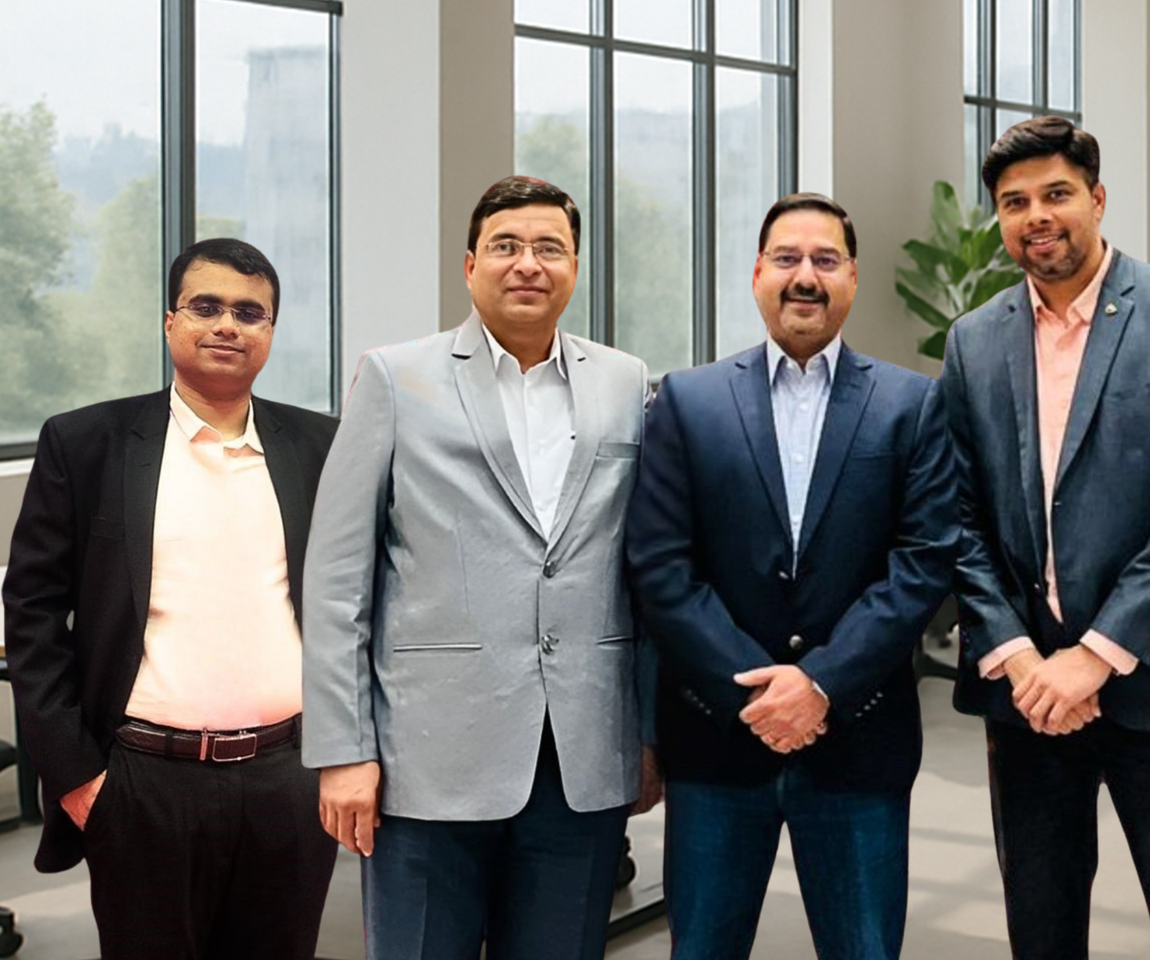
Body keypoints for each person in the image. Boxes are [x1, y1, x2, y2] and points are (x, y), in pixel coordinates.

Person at [301, 176, 658, 960]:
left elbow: (644, 573)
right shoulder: (396, 377)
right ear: (470, 266)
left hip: (582, 756)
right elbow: (336, 582)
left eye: (549, 248)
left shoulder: (626, 382)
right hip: (427, 757)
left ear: (574, 267)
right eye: (506, 246)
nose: (528, 263)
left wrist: (647, 734)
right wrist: (343, 750)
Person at [941, 116, 1150, 960]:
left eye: (1056, 194)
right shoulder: (974, 341)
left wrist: (1096, 653)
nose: (1036, 216)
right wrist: (1018, 656)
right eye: (1015, 203)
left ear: (1098, 199)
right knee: (1041, 930)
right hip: (1030, 698)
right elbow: (956, 515)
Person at [626, 192, 958, 960]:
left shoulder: (911, 405)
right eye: (787, 258)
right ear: (756, 274)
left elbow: (922, 563)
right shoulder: (687, 401)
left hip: (859, 742)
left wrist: (821, 685)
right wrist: (756, 692)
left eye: (825, 260)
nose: (805, 276)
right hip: (718, 741)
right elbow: (660, 565)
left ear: (852, 278)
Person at [2, 238, 339, 960]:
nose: (227, 326)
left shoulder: (321, 446)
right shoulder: (86, 443)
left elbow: (356, 604)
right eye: (206, 307)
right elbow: (32, 613)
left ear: (271, 331)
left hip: (289, 780)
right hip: (141, 783)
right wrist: (78, 778)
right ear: (169, 322)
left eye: (249, 312)